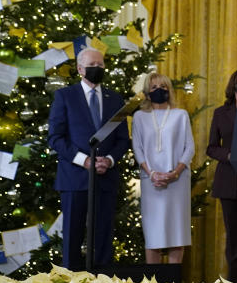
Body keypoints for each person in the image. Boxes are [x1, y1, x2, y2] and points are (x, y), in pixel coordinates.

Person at [48, 47, 129, 270]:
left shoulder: (115, 98)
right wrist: (84, 160)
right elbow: (55, 137)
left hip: (105, 178)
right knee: (72, 235)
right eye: (93, 65)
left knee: (104, 235)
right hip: (75, 178)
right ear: (80, 68)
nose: (98, 69)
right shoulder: (65, 96)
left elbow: (123, 139)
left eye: (101, 65)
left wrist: (109, 160)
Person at [132, 73, 194, 264]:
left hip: (178, 181)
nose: (159, 90)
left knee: (177, 235)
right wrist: (151, 173)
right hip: (151, 182)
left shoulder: (180, 115)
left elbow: (189, 147)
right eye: (154, 87)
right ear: (148, 93)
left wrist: (175, 172)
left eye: (163, 86)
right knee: (153, 236)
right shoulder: (139, 117)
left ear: (169, 90)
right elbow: (138, 147)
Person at [207, 67, 237, 283]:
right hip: (228, 181)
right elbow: (211, 147)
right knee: (234, 240)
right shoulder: (220, 113)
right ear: (233, 83)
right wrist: (228, 154)